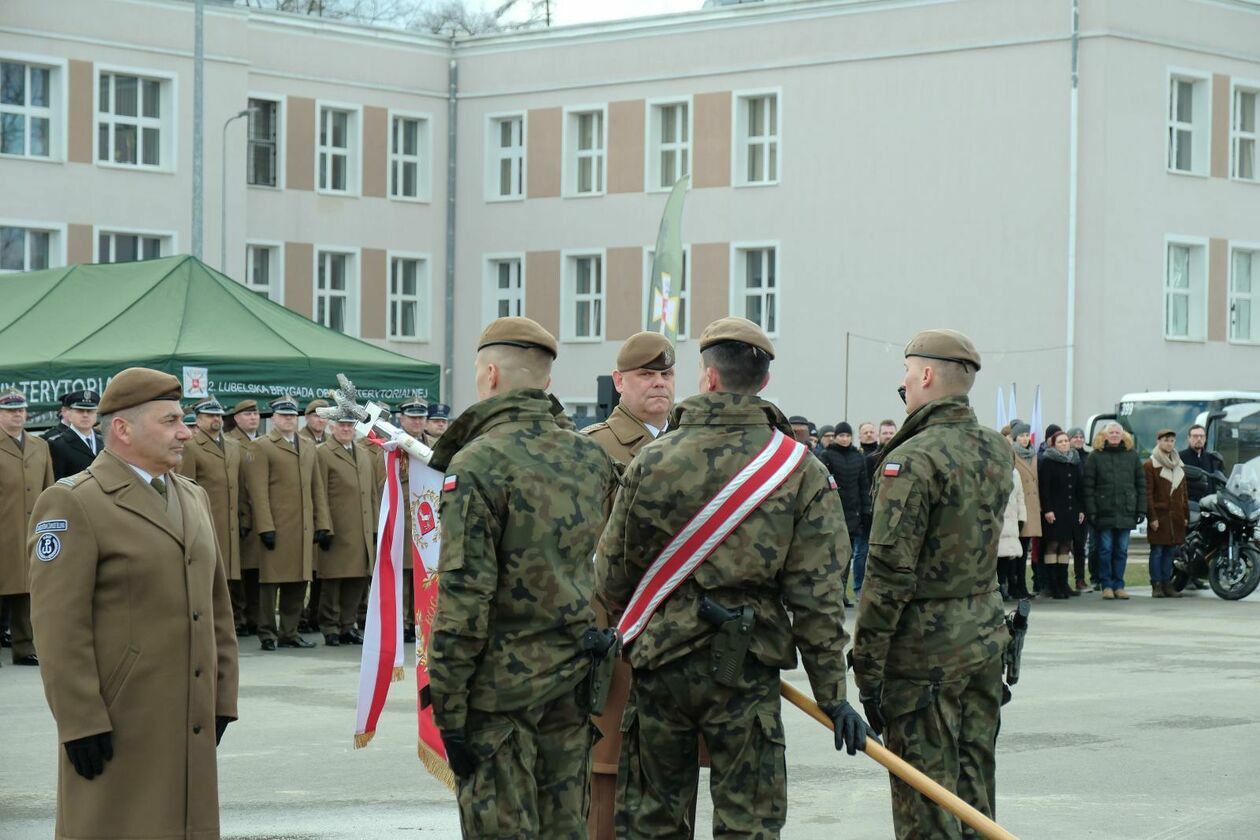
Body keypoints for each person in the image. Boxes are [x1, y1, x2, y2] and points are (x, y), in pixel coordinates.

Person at [597, 316, 870, 839]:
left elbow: (611, 576)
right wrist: (832, 694)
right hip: (746, 669)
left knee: (652, 823)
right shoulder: (799, 468)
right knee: (749, 825)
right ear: (764, 382)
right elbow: (817, 598)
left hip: (660, 669)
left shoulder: (651, 459)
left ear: (707, 377)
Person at [28, 367, 238, 840]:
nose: (186, 432)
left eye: (183, 420)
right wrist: (79, 720)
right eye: (170, 421)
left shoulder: (192, 497)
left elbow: (216, 606)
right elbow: (58, 626)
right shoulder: (74, 503)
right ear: (123, 429)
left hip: (188, 714)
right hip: (120, 720)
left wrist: (222, 696)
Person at [427, 316, 617, 838]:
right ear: (546, 382)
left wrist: (447, 706)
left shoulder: (480, 461)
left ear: (489, 374)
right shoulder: (590, 457)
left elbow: (465, 599)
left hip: (498, 699)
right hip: (571, 683)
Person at [853, 329, 1011, 840]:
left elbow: (888, 575)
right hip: (984, 639)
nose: (903, 384)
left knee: (926, 797)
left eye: (906, 374)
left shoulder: (914, 459)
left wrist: (868, 668)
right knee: (974, 785)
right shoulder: (994, 449)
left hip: (924, 654)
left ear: (925, 375)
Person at [580, 330, 678, 840]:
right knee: (608, 771)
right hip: (615, 632)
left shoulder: (688, 444)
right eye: (645, 374)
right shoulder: (595, 447)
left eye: (665, 374)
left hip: (676, 637)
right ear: (619, 381)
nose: (658, 384)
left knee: (669, 773)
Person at [243, 395, 332, 650]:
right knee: (271, 583)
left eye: (292, 416)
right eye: (283, 416)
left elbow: (317, 488)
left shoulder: (306, 446)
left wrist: (322, 522)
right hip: (277, 525)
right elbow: (257, 491)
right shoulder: (262, 446)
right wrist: (265, 527)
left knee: (298, 580)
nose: (288, 420)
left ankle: (289, 633)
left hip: (303, 526)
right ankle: (267, 633)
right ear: (273, 419)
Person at [177, 397, 251, 634]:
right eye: (210, 415)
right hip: (206, 520)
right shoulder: (191, 446)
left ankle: (228, 624)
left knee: (229, 577)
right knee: (208, 575)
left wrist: (244, 517)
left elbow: (241, 486)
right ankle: (207, 625)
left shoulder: (232, 445)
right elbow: (185, 485)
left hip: (230, 522)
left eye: (219, 415)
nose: (216, 419)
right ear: (198, 420)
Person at [0, 388, 53, 665]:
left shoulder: (39, 445)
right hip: (4, 530)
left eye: (20, 410)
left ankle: (24, 646)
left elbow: (49, 488)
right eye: (10, 411)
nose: (17, 415)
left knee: (28, 589)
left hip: (32, 528)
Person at [315, 416, 377, 645]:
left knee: (357, 579)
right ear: (332, 427)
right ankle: (330, 627)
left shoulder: (361, 453)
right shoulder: (323, 452)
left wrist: (375, 525)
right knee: (333, 580)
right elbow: (318, 489)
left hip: (361, 527)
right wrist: (323, 524)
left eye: (350, 425)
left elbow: (370, 493)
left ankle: (347, 625)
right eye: (341, 425)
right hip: (337, 527)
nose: (346, 429)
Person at [1083, 422, 1145, 600]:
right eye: (1111, 432)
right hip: (1104, 512)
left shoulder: (1132, 456)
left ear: (1123, 435)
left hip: (1126, 511)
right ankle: (1107, 585)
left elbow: (1140, 485)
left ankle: (1119, 585)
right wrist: (1092, 511)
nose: (1115, 435)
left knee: (1121, 551)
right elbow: (1088, 487)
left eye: (1118, 432)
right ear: (1105, 435)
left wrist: (1141, 509)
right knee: (1105, 550)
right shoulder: (1095, 457)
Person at [820, 420, 871, 606]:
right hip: (833, 512)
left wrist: (866, 510)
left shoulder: (858, 457)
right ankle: (830, 592)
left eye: (847, 436)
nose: (844, 439)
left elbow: (863, 485)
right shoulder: (827, 456)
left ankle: (841, 593)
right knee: (832, 554)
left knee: (847, 553)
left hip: (853, 513)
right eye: (841, 435)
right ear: (835, 437)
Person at [226, 399, 264, 635]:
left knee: (256, 572)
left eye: (256, 414)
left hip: (260, 513)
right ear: (237, 417)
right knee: (239, 571)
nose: (253, 418)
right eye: (248, 414)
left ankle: (254, 618)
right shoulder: (232, 442)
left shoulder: (261, 442)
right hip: (240, 513)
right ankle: (239, 618)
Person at [1037, 430, 1083, 599]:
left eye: (1066, 441)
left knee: (1066, 545)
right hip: (1054, 511)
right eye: (1060, 442)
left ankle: (1063, 584)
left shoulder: (1074, 461)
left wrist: (1080, 510)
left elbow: (1079, 488)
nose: (1064, 444)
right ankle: (1053, 585)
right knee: (1053, 545)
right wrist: (1048, 509)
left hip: (1070, 510)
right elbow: (1045, 488)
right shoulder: (1048, 461)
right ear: (1053, 445)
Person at [1145, 429, 1188, 598]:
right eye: (1166, 440)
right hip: (1160, 515)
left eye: (1172, 440)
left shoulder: (1179, 464)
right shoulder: (1150, 465)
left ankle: (1167, 583)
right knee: (1157, 551)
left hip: (1176, 516)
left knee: (1171, 551)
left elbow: (1184, 493)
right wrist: (1152, 517)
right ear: (1158, 441)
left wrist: (1185, 515)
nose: (1169, 443)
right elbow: (1148, 494)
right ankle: (1156, 584)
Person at [1009, 421, 1040, 599]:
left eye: (1027, 435)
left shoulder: (1033, 455)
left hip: (1031, 509)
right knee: (1015, 552)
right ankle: (1014, 585)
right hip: (1017, 510)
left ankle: (1022, 585)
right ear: (1015, 438)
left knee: (1024, 550)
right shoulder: (1012, 454)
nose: (1025, 438)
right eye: (1021, 435)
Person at [47, 390, 104, 480]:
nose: (85, 415)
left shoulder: (104, 441)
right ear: (69, 414)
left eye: (90, 411)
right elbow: (56, 480)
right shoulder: (58, 444)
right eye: (80, 411)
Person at [1067, 427, 1093, 591]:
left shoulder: (1089, 457)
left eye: (1080, 436)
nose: (1078, 439)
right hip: (1065, 507)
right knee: (1062, 547)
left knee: (1079, 546)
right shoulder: (1066, 457)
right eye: (1074, 436)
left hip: (1083, 508)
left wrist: (1084, 509)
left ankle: (1080, 579)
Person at [997, 464, 1026, 602]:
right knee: (995, 555)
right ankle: (996, 586)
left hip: (1011, 519)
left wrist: (1022, 518)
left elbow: (1020, 496)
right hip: (996, 518)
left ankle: (1003, 585)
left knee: (1006, 555)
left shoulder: (1015, 473)